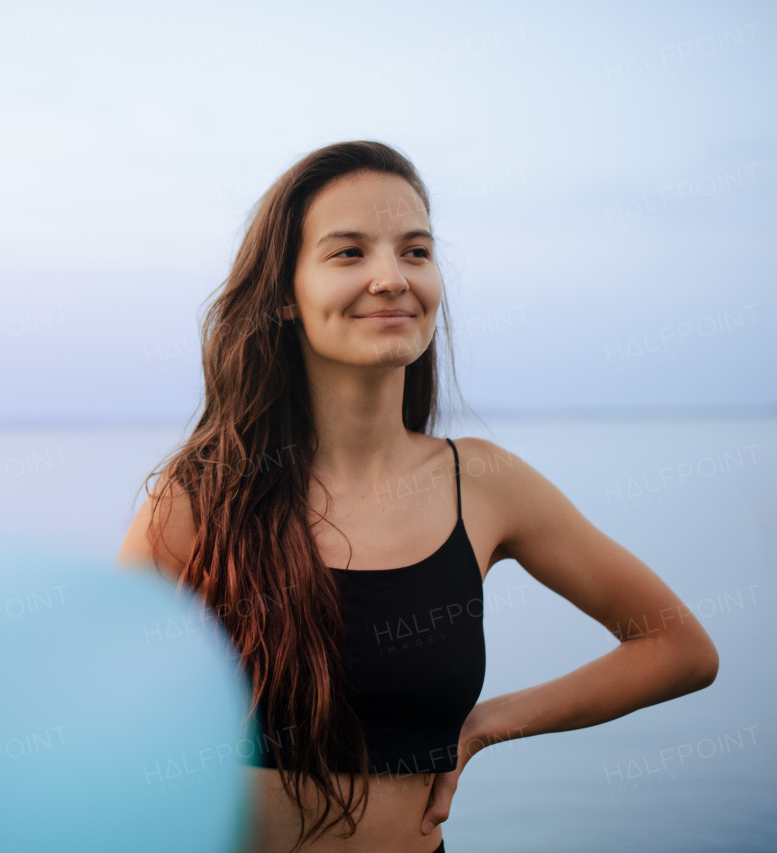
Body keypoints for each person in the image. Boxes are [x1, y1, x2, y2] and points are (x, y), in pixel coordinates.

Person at [115, 140, 720, 853]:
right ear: (284, 294)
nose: (390, 278)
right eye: (348, 253)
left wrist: (484, 724)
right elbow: (97, 708)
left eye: (415, 251)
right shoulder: (202, 498)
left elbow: (677, 645)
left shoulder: (487, 483)